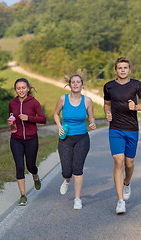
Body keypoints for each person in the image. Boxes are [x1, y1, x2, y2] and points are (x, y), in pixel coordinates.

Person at [103, 57, 141, 214]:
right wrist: (107, 113)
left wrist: (135, 107)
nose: (122, 70)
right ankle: (120, 201)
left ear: (129, 70)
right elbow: (107, 104)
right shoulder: (109, 86)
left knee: (129, 164)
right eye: (119, 68)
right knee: (119, 163)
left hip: (132, 129)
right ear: (115, 70)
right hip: (115, 129)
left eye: (125, 67)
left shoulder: (137, 85)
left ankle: (127, 183)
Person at [53, 74, 96, 210]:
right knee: (67, 171)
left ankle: (77, 199)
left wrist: (93, 123)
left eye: (78, 82)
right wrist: (59, 127)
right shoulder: (62, 99)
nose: (76, 84)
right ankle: (66, 180)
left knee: (77, 169)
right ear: (70, 85)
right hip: (65, 138)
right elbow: (55, 114)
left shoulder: (87, 101)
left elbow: (91, 117)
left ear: (82, 85)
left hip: (82, 138)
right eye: (73, 82)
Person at [8, 78, 47, 206]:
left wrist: (28, 118)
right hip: (16, 139)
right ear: (15, 90)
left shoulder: (34, 102)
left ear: (28, 89)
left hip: (31, 139)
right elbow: (12, 118)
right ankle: (23, 195)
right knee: (19, 166)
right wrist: (11, 123)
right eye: (18, 88)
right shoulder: (12, 103)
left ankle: (35, 176)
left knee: (30, 166)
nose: (21, 90)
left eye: (23, 88)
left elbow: (43, 119)